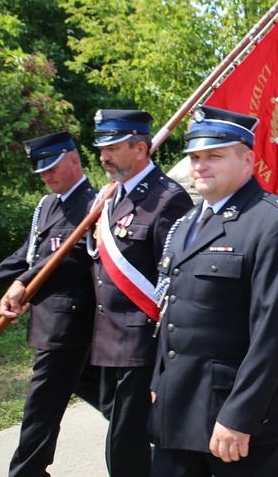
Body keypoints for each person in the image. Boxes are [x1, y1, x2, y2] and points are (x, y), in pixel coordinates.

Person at [148, 106, 278, 476]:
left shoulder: (276, 221)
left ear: (248, 160)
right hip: (177, 406)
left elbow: (276, 332)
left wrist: (240, 415)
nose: (200, 166)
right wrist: (159, 381)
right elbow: (171, 311)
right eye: (194, 157)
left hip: (238, 416)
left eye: (214, 155)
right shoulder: (187, 222)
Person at [0, 131, 101, 477]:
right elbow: (29, 256)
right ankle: (160, 430)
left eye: (52, 168)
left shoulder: (94, 205)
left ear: (74, 160)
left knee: (41, 405)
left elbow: (72, 256)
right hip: (50, 322)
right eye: (41, 171)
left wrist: (22, 284)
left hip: (69, 324)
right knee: (108, 395)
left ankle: (26, 473)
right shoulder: (48, 204)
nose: (46, 176)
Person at [88, 109, 193, 477]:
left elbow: (176, 277)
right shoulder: (109, 197)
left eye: (113, 147)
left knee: (123, 438)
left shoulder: (167, 198)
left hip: (141, 337)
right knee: (124, 421)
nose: (103, 156)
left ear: (140, 149)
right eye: (101, 148)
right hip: (107, 337)